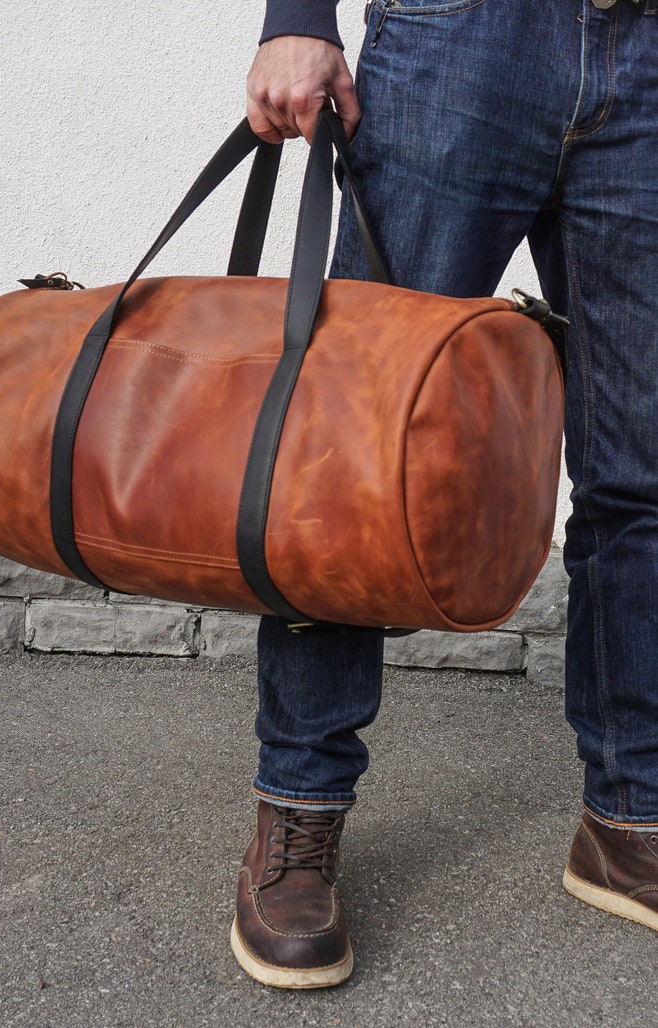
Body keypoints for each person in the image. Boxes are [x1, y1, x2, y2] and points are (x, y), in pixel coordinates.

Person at [229, 0, 658, 990]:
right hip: (465, 39)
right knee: (351, 462)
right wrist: (297, 14)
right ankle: (296, 812)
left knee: (641, 474)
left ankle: (629, 819)